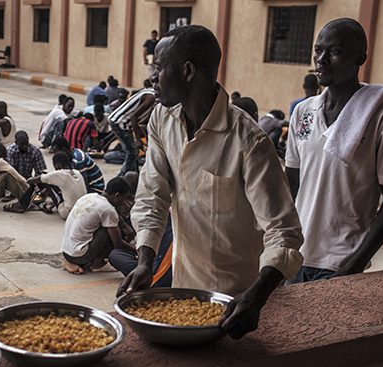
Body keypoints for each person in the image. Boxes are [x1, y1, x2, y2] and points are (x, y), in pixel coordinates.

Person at [119, 26, 304, 341]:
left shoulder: (250, 143)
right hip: (183, 292)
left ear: (187, 71)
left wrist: (256, 297)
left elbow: (284, 234)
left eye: (158, 68)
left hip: (237, 303)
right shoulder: (161, 121)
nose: (151, 78)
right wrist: (145, 260)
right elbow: (152, 196)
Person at [285, 18, 383, 283]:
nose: (322, 59)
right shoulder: (303, 113)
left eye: (336, 51)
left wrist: (354, 264)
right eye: (318, 50)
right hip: (295, 256)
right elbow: (291, 186)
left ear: (360, 58)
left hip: (340, 261)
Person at [61, 177, 135, 274]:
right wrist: (136, 251)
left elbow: (109, 213)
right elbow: (118, 243)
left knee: (110, 222)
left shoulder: (90, 196)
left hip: (66, 251)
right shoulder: (108, 210)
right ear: (117, 195)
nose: (124, 202)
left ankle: (73, 262)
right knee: (110, 229)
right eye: (124, 198)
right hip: (79, 256)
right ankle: (97, 264)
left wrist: (125, 226)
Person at [5, 152, 87, 219]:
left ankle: (22, 205)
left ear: (58, 166)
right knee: (51, 183)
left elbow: (32, 181)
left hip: (68, 213)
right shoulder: (77, 173)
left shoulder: (60, 174)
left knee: (44, 180)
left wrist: (27, 181)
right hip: (83, 209)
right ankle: (40, 201)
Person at [108, 80, 156, 175]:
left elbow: (141, 122)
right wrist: (138, 139)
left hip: (124, 124)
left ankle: (135, 176)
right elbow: (133, 117)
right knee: (132, 153)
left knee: (135, 151)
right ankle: (121, 177)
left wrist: (144, 137)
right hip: (119, 123)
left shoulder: (150, 93)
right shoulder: (151, 97)